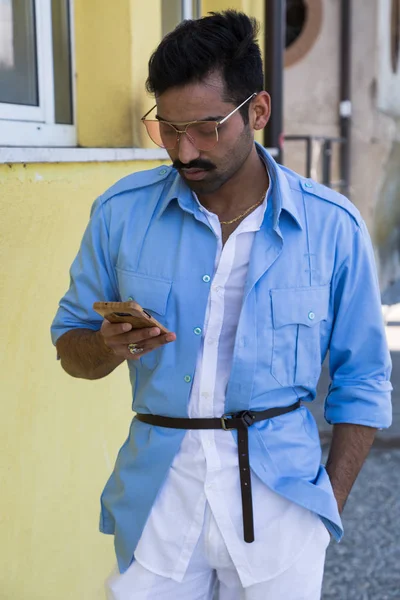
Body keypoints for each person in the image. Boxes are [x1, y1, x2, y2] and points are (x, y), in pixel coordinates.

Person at [51, 11, 392, 600]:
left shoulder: (332, 228)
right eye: (168, 130)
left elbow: (364, 380)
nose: (184, 152)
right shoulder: (121, 214)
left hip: (282, 505)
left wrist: (323, 513)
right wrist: (105, 347)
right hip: (157, 503)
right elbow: (71, 349)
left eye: (206, 129)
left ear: (257, 112)